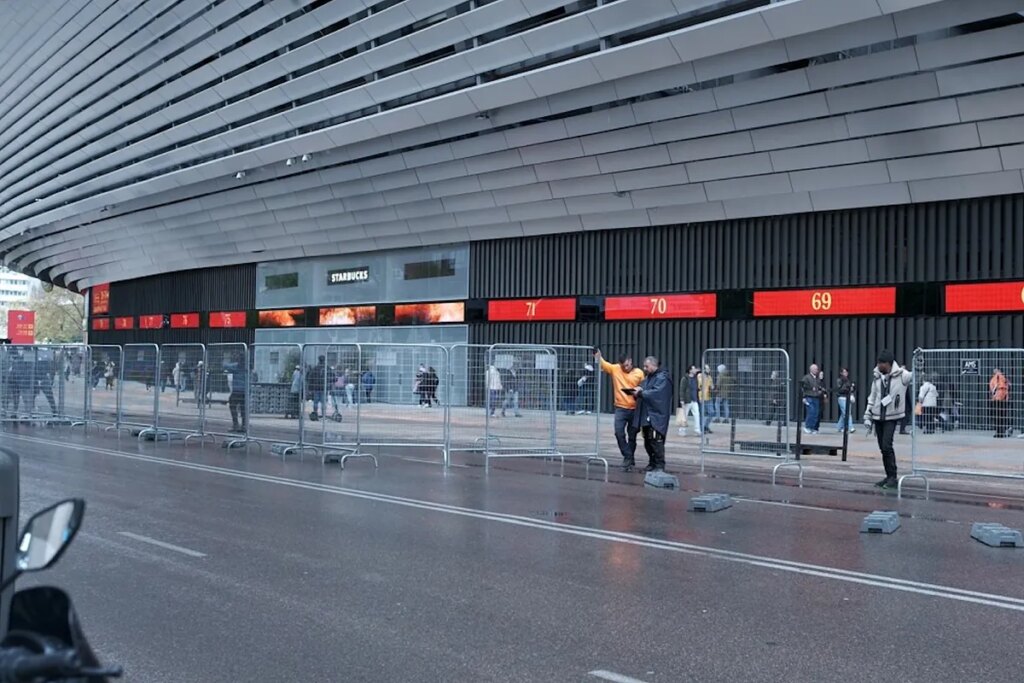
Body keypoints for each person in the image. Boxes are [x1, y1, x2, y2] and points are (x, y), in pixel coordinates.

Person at [863, 349, 913, 489]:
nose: (878, 365)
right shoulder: (877, 377)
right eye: (878, 363)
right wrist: (867, 415)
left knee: (886, 446)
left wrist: (918, 364)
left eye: (881, 363)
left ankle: (893, 477)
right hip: (878, 416)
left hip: (892, 417)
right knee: (882, 448)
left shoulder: (902, 375)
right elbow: (872, 396)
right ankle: (889, 475)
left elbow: (915, 376)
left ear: (888, 364)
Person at [595, 349, 644, 470]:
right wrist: (596, 353)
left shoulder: (639, 373)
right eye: (623, 366)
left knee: (632, 436)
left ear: (631, 362)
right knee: (619, 432)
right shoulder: (615, 369)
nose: (625, 368)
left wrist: (639, 390)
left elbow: (645, 387)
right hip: (620, 408)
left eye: (627, 365)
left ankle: (629, 459)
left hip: (635, 408)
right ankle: (628, 457)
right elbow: (603, 363)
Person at [632, 356, 672, 472]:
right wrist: (639, 389)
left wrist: (641, 392)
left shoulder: (662, 378)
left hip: (656, 416)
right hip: (648, 415)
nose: (644, 368)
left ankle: (659, 465)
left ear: (654, 365)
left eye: (646, 366)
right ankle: (652, 462)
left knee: (656, 441)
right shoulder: (650, 377)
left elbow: (657, 393)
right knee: (648, 441)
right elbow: (645, 387)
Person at [223, 354, 249, 434]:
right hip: (245, 390)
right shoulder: (247, 367)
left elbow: (225, 365)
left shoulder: (235, 367)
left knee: (232, 405)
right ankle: (244, 425)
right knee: (243, 408)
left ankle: (235, 424)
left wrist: (224, 359)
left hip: (237, 390)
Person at [801, 364, 826, 434]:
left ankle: (813, 427)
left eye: (817, 369)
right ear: (811, 369)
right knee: (811, 412)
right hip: (809, 397)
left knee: (816, 413)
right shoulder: (806, 378)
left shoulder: (817, 378)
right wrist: (803, 397)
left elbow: (820, 386)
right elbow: (802, 387)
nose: (816, 370)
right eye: (815, 369)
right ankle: (808, 426)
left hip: (816, 397)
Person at [679, 365, 702, 437]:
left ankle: (697, 430)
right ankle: (682, 429)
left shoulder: (696, 378)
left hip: (694, 399)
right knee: (684, 415)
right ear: (690, 370)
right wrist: (682, 399)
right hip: (687, 400)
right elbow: (682, 389)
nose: (695, 370)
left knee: (697, 415)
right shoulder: (685, 378)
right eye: (693, 369)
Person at [834, 367, 856, 433]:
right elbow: (840, 389)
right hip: (842, 397)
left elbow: (852, 389)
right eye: (844, 372)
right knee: (847, 413)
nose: (845, 373)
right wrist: (849, 388)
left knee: (844, 413)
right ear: (841, 373)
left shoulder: (848, 380)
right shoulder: (839, 380)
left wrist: (852, 389)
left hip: (847, 397)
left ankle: (839, 427)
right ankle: (850, 427)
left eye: (846, 372)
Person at [990, 368, 1010, 438]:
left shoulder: (998, 377)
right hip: (1003, 398)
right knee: (1002, 416)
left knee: (997, 416)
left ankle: (999, 432)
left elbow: (995, 387)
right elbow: (1007, 387)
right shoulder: (1004, 377)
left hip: (998, 398)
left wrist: (994, 396)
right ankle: (1002, 431)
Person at [699, 364, 715, 433]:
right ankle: (701, 428)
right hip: (701, 397)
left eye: (709, 369)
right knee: (702, 414)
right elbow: (699, 385)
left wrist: (713, 387)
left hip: (708, 397)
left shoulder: (709, 377)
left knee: (712, 412)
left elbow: (712, 386)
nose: (709, 370)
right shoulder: (700, 376)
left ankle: (706, 426)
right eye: (707, 369)